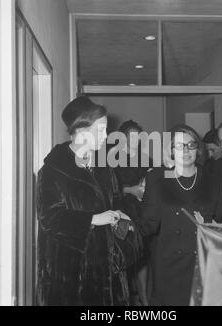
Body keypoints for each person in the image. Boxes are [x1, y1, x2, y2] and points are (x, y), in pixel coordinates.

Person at [35, 96, 142, 306]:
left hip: (107, 272)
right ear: (81, 131)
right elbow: (49, 217)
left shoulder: (105, 168)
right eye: (100, 129)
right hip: (70, 277)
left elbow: (117, 202)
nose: (107, 135)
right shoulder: (52, 171)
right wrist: (93, 219)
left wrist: (121, 217)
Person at [136, 124, 222, 306]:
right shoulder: (157, 178)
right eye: (179, 145)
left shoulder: (213, 180)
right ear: (170, 150)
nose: (185, 150)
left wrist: (208, 223)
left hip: (203, 262)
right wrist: (125, 227)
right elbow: (149, 222)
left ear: (198, 149)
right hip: (168, 263)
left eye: (191, 145)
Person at [109, 120, 153, 306]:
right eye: (131, 136)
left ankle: (144, 298)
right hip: (122, 213)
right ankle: (126, 299)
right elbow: (110, 189)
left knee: (142, 255)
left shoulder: (146, 159)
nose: (135, 140)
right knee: (124, 256)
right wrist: (130, 190)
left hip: (142, 212)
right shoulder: (111, 160)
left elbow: (153, 183)